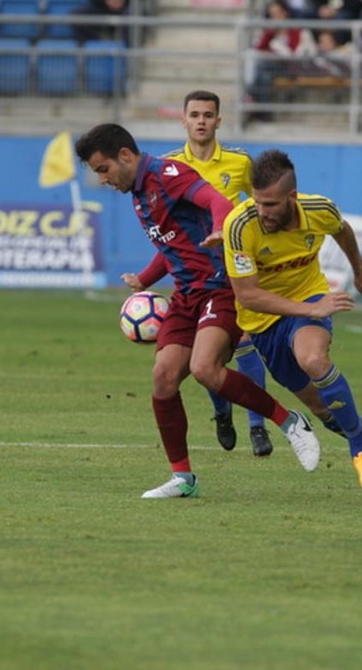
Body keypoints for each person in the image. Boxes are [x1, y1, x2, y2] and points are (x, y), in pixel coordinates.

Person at [75, 123, 322, 499]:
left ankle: (289, 422)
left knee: (205, 368)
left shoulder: (167, 174)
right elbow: (172, 245)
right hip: (186, 293)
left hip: (220, 285)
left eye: (103, 169)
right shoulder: (139, 194)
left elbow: (218, 202)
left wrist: (221, 229)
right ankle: (183, 478)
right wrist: (144, 279)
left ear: (124, 156)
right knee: (163, 378)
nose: (103, 179)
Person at [222, 149, 362, 493]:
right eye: (257, 202)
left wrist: (359, 271)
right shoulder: (240, 226)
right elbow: (247, 296)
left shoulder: (320, 209)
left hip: (309, 299)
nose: (262, 211)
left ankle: (360, 450)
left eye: (271, 204)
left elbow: (342, 229)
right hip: (263, 322)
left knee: (313, 359)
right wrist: (309, 311)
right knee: (323, 409)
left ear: (292, 196)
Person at [122, 91, 276, 457]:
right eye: (195, 115)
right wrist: (145, 279)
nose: (202, 121)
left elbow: (262, 206)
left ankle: (257, 425)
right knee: (207, 355)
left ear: (218, 120)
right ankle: (222, 412)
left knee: (245, 342)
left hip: (235, 266)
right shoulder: (169, 167)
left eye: (208, 115)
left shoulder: (240, 162)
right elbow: (170, 240)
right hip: (194, 272)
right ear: (184, 121)